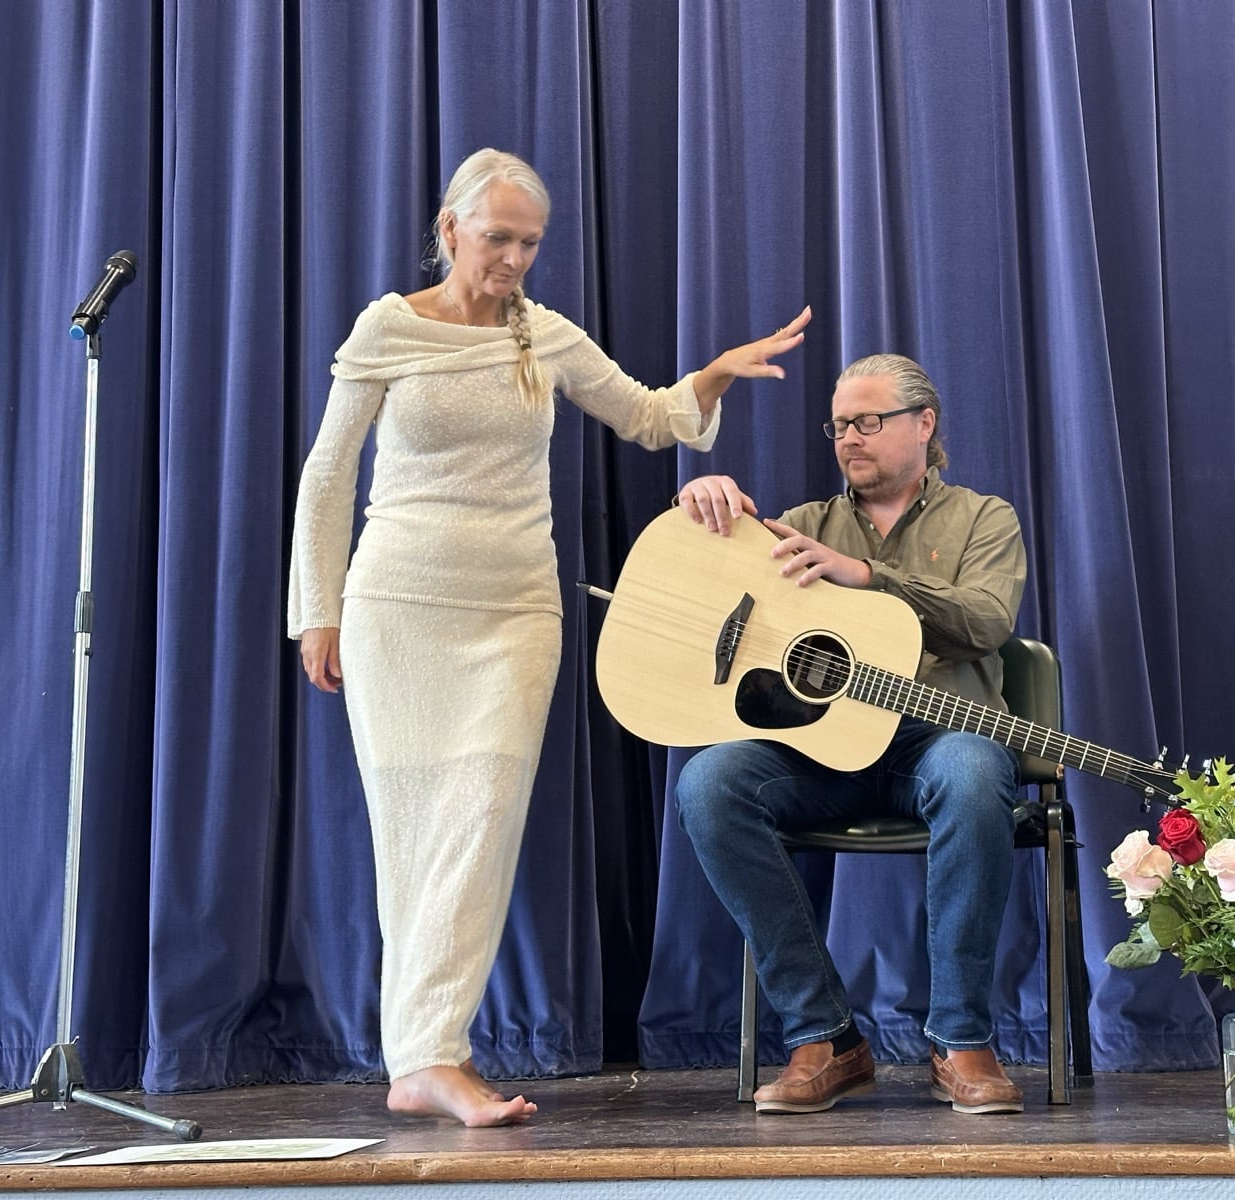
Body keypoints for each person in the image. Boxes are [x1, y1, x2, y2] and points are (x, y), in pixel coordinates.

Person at [288, 148, 809, 1127]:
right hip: (399, 606)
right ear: (450, 231)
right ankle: (421, 1059)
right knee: (409, 831)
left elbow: (654, 418)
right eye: (498, 238)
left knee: (478, 816)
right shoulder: (388, 328)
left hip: (515, 612)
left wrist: (714, 375)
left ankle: (433, 1051)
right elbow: (328, 476)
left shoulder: (546, 338)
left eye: (530, 242)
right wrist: (317, 609)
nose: (515, 258)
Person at [673, 353, 1028, 1115]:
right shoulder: (799, 527)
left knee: (973, 773)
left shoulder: (984, 519)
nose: (849, 438)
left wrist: (868, 576)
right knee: (709, 783)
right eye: (839, 425)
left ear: (923, 424)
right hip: (822, 754)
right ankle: (825, 1037)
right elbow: (703, 579)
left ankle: (961, 1039)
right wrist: (700, 499)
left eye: (868, 421)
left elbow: (989, 621)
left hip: (934, 744)